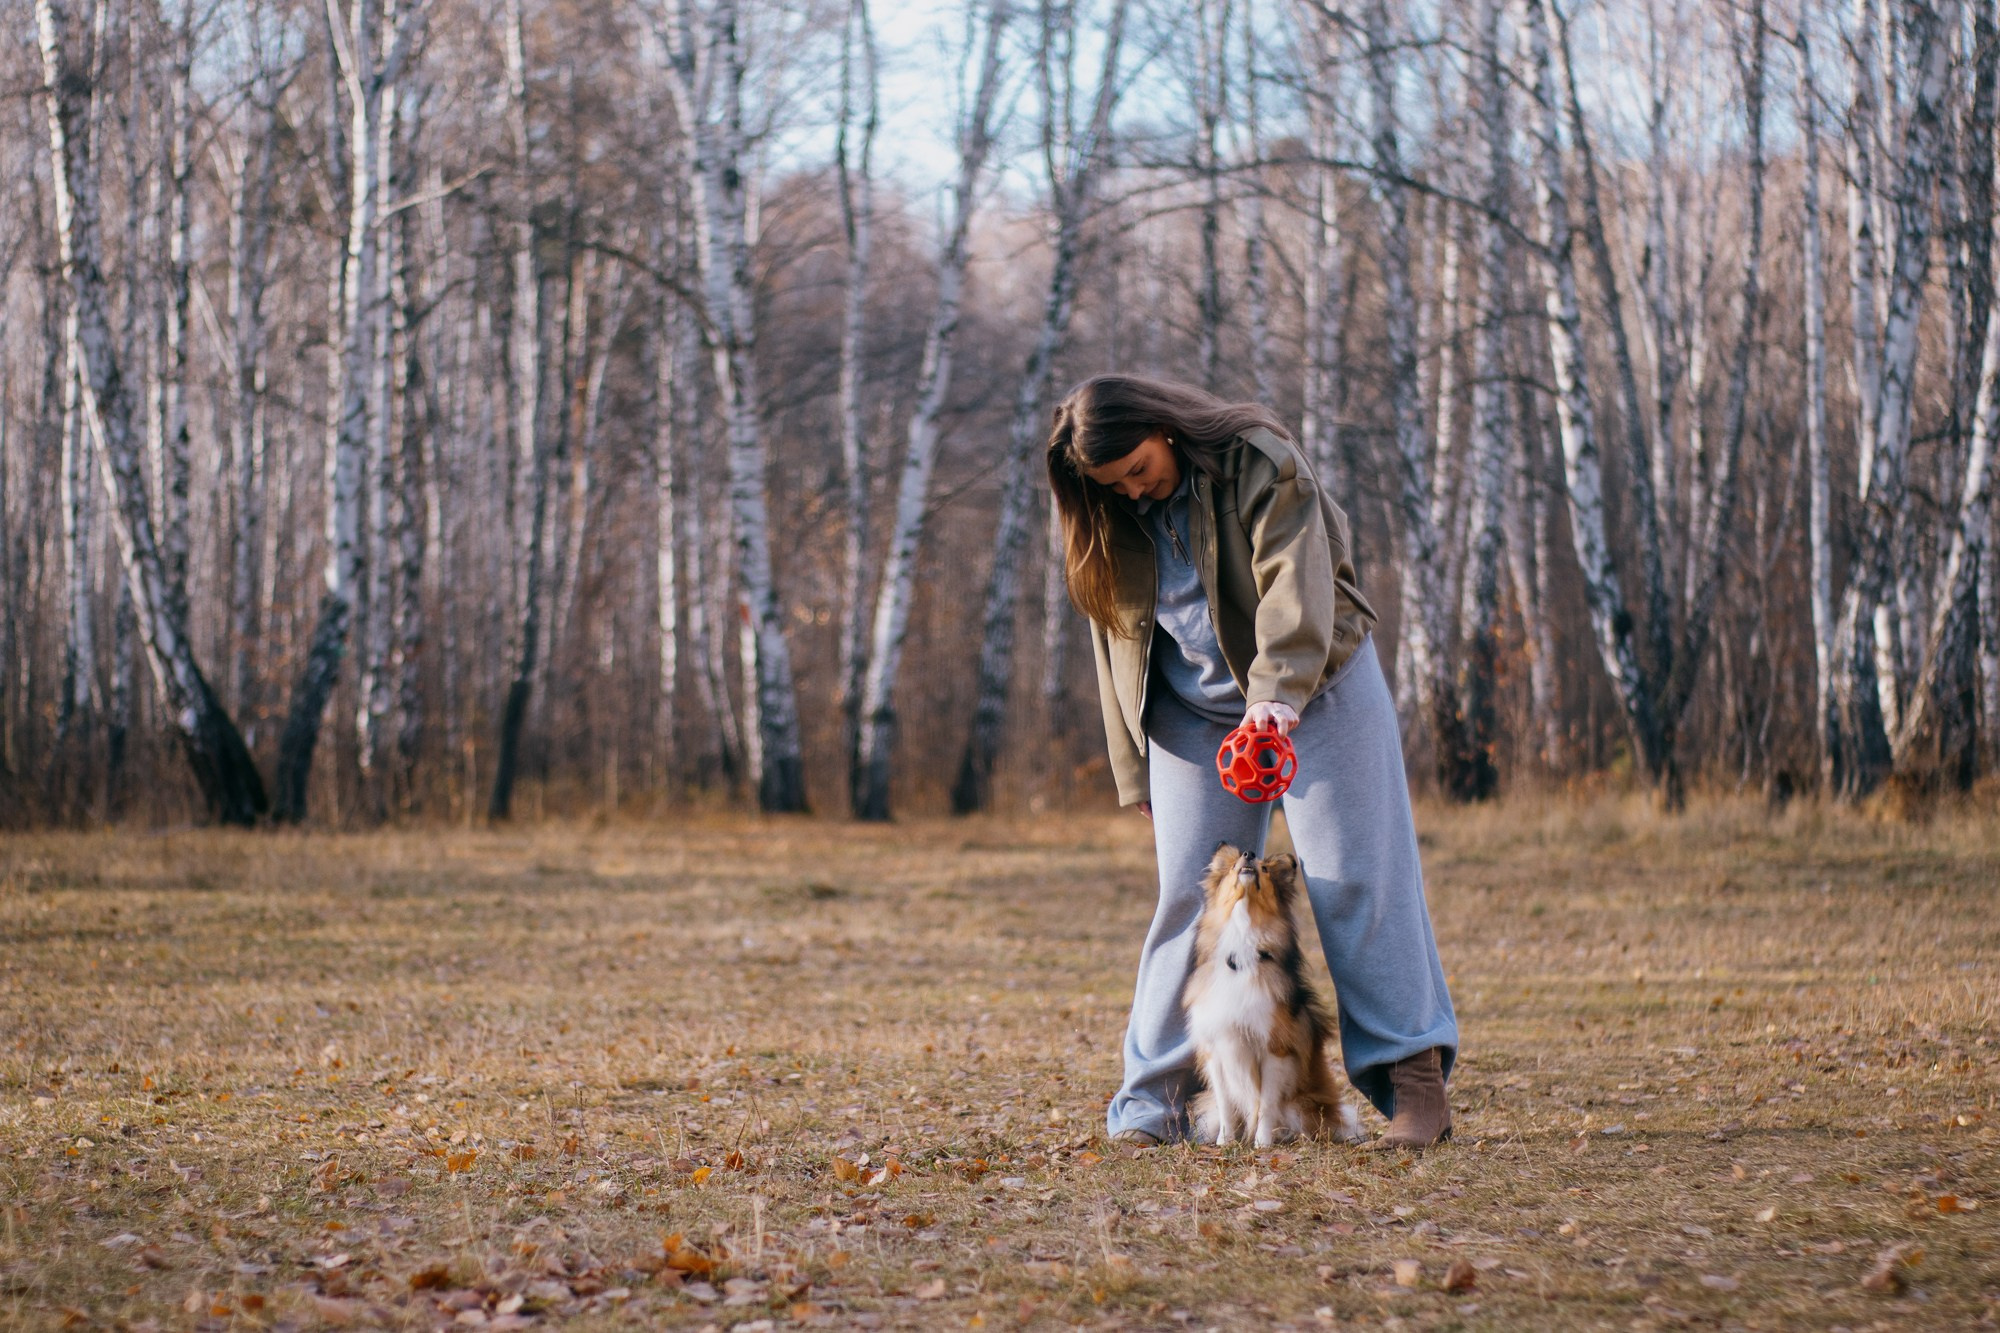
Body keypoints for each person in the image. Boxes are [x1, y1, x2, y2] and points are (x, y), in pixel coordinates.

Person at [1046, 373, 1458, 1149]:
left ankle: (1413, 1086)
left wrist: (1276, 695)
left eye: (1138, 469)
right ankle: (1153, 1104)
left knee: (1355, 878)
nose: (1135, 491)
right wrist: (1136, 767)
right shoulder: (1106, 516)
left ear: (1161, 426)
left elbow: (1295, 582)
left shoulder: (1257, 460)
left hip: (1318, 683)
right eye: (1114, 486)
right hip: (1194, 712)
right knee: (1191, 896)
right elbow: (1116, 642)